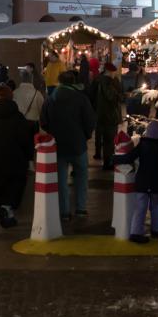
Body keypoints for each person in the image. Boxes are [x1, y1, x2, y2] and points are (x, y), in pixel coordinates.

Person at [40, 69, 96, 223]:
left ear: (59, 82)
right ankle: (81, 208)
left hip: (58, 146)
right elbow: (90, 121)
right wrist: (85, 136)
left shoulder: (51, 99)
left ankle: (64, 212)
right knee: (82, 177)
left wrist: (53, 132)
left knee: (61, 181)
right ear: (73, 82)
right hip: (78, 145)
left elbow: (43, 121)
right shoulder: (81, 98)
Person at [0, 83, 32, 228]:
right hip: (17, 156)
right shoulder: (17, 116)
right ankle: (8, 209)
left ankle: (3, 208)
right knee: (16, 183)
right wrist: (29, 156)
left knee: (0, 182)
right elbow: (25, 138)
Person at [113, 119, 158, 243]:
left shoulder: (143, 144)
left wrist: (115, 159)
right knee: (157, 205)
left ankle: (136, 232)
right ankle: (156, 230)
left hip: (142, 182)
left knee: (140, 207)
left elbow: (130, 157)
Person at [94, 62, 125, 170]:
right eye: (113, 72)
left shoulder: (99, 80)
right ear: (110, 72)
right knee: (109, 141)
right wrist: (121, 95)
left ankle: (105, 159)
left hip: (101, 114)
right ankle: (108, 163)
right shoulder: (108, 82)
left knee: (105, 139)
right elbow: (112, 96)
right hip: (109, 115)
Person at [13, 68, 45, 133]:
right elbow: (42, 111)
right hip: (33, 125)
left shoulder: (14, 93)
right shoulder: (37, 94)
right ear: (31, 79)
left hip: (18, 125)